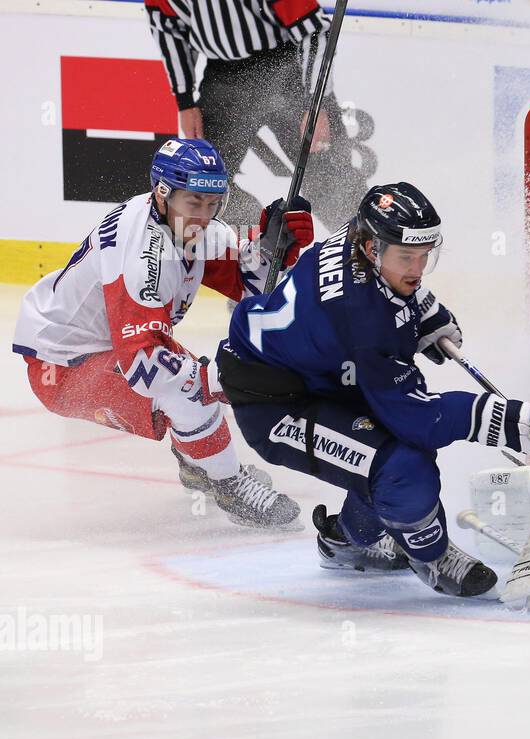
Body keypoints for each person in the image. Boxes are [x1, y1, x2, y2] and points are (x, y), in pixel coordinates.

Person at [217, 182, 530, 596]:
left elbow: (387, 294)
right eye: (406, 258)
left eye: (424, 256)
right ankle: (431, 556)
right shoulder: (360, 319)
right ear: (372, 247)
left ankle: (345, 538)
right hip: (275, 404)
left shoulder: (359, 234)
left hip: (320, 371)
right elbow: (418, 419)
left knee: (389, 451)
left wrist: (423, 312)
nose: (417, 268)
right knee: (402, 465)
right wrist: (495, 417)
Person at [12, 138, 310, 528]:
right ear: (162, 193)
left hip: (109, 346)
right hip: (64, 368)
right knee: (188, 386)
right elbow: (144, 365)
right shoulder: (141, 254)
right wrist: (221, 380)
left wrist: (274, 249)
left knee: (194, 381)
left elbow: (250, 284)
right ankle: (227, 483)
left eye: (212, 204)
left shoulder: (185, 225)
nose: (204, 216)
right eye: (194, 203)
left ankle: (197, 464)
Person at [146, 0, 368, 229]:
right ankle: (251, 248)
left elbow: (315, 30)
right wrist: (185, 102)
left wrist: (315, 103)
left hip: (288, 71)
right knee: (203, 180)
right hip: (224, 79)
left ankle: (359, 249)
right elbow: (168, 30)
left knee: (330, 176)